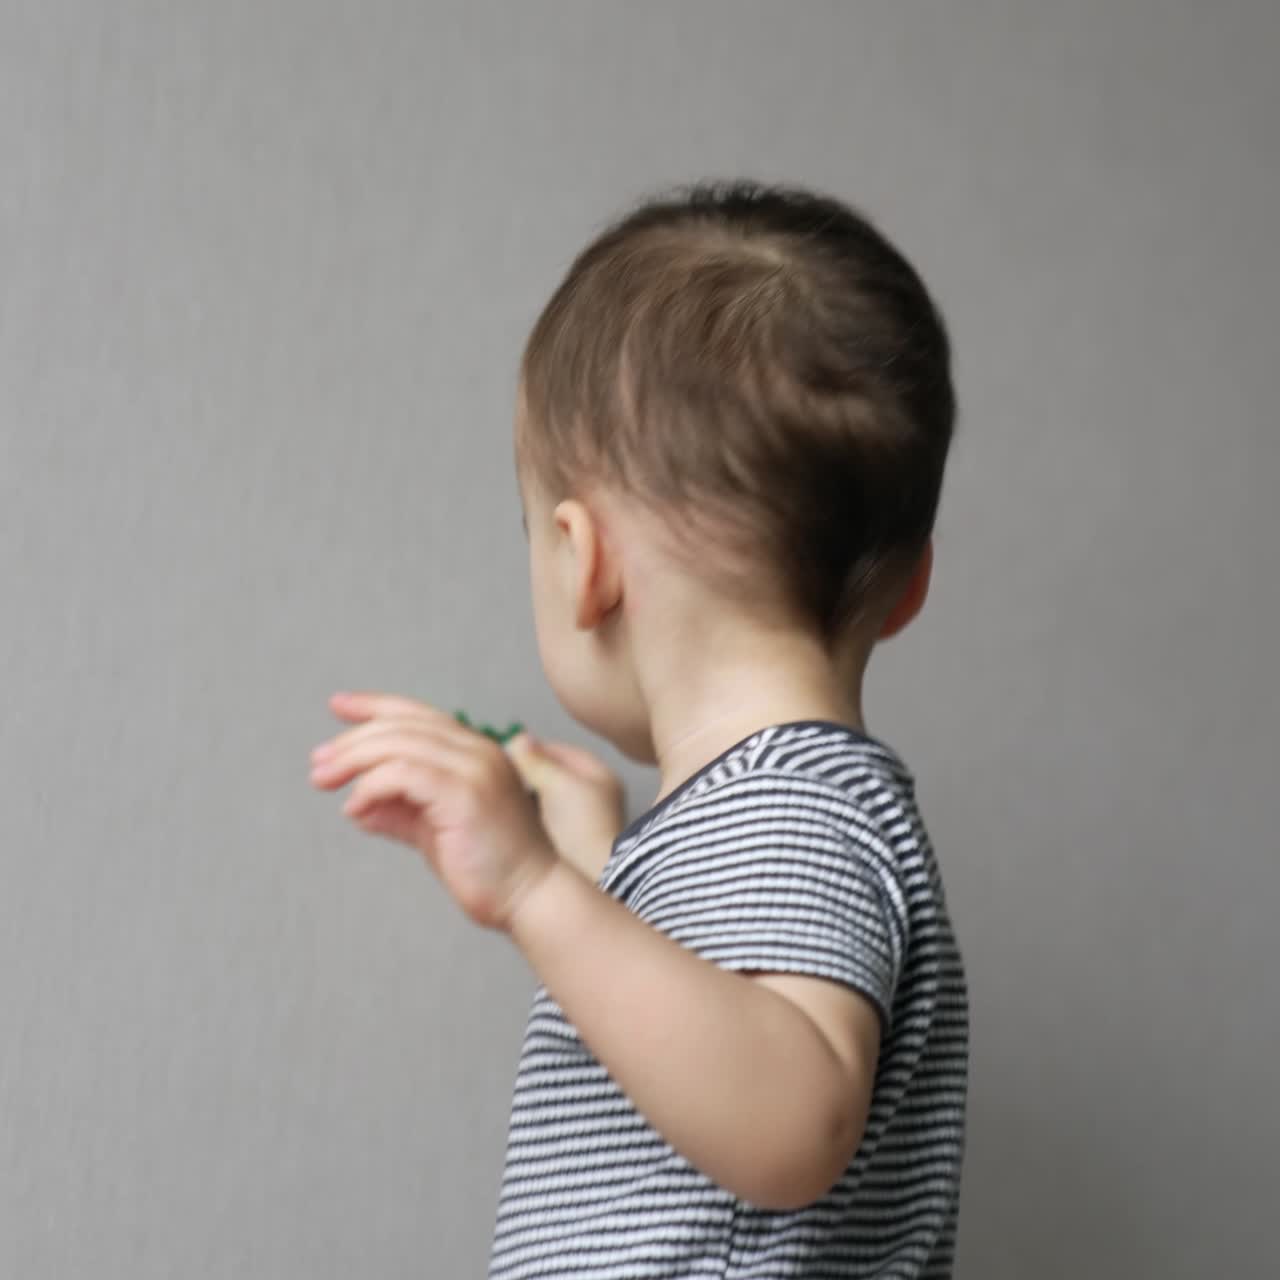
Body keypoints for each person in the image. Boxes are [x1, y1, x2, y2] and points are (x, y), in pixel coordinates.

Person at [309, 180, 968, 1278]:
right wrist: (605, 871)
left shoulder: (796, 805)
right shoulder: (782, 810)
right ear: (909, 586)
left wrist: (535, 889)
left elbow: (788, 1119)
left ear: (585, 561)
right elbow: (730, 1010)